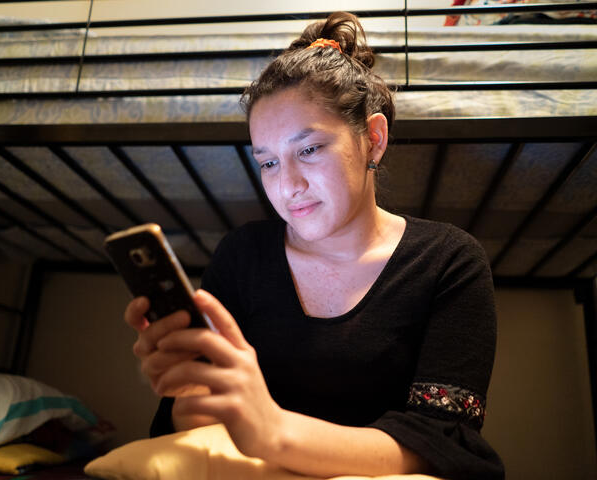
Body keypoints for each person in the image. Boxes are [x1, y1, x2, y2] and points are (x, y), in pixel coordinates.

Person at [124, 11, 505, 480]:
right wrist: (188, 388)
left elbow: (442, 441)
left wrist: (274, 430)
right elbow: (195, 427)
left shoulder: (448, 260)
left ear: (374, 140)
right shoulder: (243, 255)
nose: (288, 186)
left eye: (308, 149)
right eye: (267, 163)